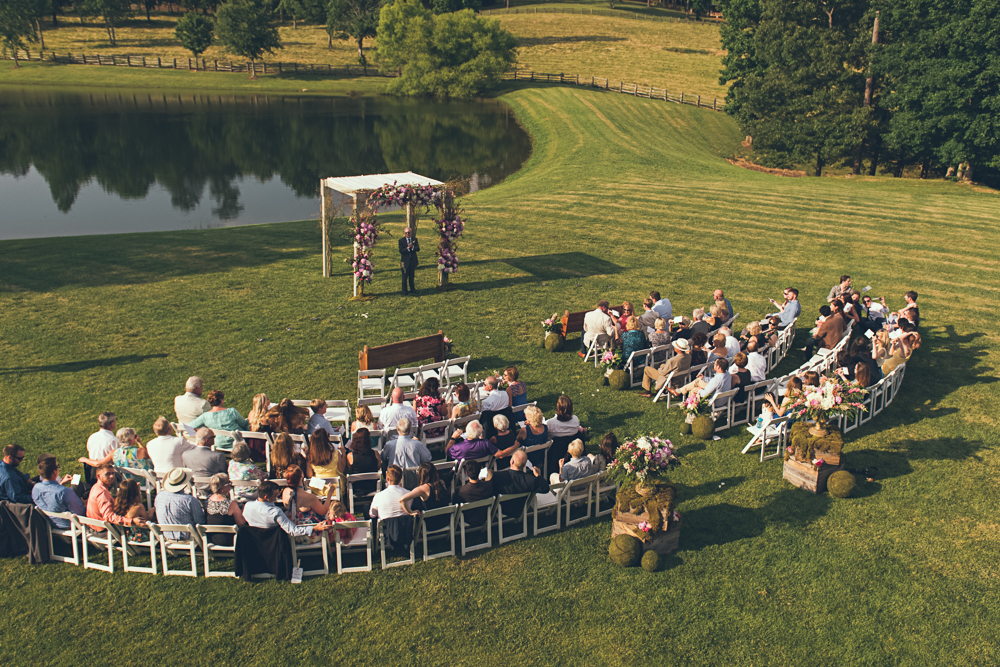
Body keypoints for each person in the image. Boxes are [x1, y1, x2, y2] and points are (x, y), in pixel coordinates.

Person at [243, 481, 331, 538]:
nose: (277, 497)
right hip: (274, 541)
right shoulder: (275, 512)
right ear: (266, 497)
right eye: (275, 495)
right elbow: (293, 531)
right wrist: (315, 528)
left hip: (255, 540)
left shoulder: (247, 506)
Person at [279, 466, 333, 544]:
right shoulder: (310, 497)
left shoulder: (285, 492)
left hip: (291, 532)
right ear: (301, 476)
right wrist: (329, 494)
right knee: (330, 516)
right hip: (308, 534)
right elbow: (323, 511)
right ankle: (331, 545)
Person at [490, 450, 550, 517]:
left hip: (500, 509)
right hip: (518, 509)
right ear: (525, 464)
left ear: (511, 461)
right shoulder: (530, 480)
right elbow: (545, 488)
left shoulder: (498, 476)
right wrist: (538, 475)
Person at [87, 464, 147, 530]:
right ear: (98, 476)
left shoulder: (96, 487)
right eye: (107, 474)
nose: (112, 476)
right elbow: (108, 517)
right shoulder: (102, 493)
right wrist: (131, 521)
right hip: (105, 531)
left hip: (94, 527)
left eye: (113, 473)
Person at [153, 468, 204, 540]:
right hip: (189, 538)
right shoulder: (189, 500)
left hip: (166, 537)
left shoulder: (159, 496)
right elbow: (200, 522)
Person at [33, 457, 85, 527]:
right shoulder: (65, 492)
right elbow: (80, 512)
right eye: (58, 466)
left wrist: (61, 483)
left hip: (50, 525)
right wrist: (85, 504)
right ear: (54, 472)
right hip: (71, 526)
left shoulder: (36, 488)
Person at [399, 462, 451, 531]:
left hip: (430, 524)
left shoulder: (422, 489)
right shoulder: (441, 483)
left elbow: (402, 500)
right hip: (445, 520)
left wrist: (411, 512)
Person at [206, 473, 247, 546]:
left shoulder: (207, 500)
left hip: (212, 537)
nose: (230, 485)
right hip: (228, 538)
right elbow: (241, 523)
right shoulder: (230, 504)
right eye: (228, 483)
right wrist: (243, 511)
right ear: (222, 489)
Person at [306, 429, 347, 497]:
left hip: (318, 487)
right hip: (335, 487)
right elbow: (341, 469)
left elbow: (309, 475)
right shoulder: (336, 454)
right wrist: (344, 454)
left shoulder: (310, 456)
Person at [452, 460, 494, 526]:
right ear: (480, 471)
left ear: (466, 472)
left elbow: (455, 506)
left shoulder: (460, 491)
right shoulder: (488, 486)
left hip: (466, 518)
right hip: (484, 516)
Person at [345, 429, 382, 496]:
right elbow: (378, 467)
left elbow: (350, 469)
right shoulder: (375, 453)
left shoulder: (350, 456)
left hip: (357, 488)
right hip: (373, 486)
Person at [398, 226, 420, 295]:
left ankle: (412, 289)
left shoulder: (414, 239)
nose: (407, 234)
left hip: (412, 261)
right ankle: (404, 290)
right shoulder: (401, 241)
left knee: (411, 276)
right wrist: (408, 248)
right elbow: (401, 250)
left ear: (411, 233)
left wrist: (413, 247)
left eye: (408, 232)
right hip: (404, 262)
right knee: (404, 277)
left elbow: (418, 248)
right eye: (406, 233)